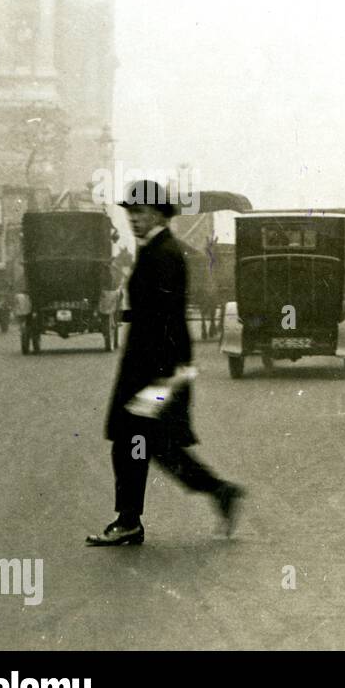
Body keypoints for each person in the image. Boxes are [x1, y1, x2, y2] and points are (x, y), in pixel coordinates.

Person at [87, 181, 243, 546]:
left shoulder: (163, 253)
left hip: (157, 372)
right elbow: (153, 310)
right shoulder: (159, 250)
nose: (134, 220)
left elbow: (164, 319)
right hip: (158, 369)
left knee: (134, 440)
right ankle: (218, 492)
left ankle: (130, 521)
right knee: (154, 444)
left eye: (140, 212)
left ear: (158, 213)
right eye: (130, 213)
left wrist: (161, 381)